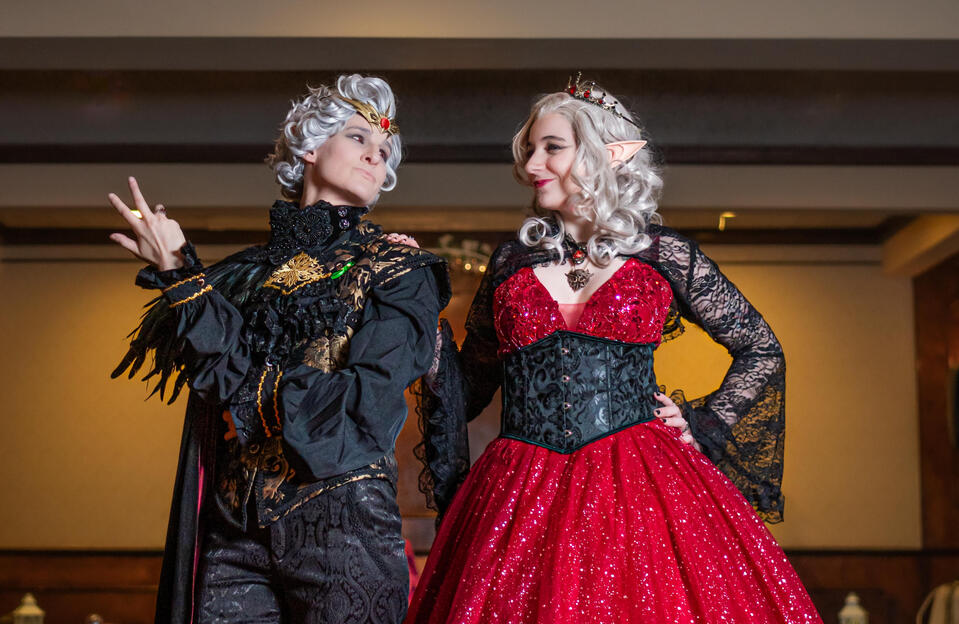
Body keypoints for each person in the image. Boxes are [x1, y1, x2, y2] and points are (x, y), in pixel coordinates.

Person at [408, 74, 822, 623]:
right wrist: (423, 318)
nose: (532, 166)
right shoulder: (510, 264)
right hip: (519, 490)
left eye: (552, 147)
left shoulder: (664, 255)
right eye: (529, 150)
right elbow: (470, 389)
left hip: (641, 483)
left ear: (611, 154)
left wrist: (702, 421)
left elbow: (760, 349)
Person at [110, 74, 449, 624]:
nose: (376, 156)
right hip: (233, 528)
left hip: (343, 526)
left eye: (385, 151)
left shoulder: (399, 269)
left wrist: (248, 379)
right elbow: (213, 376)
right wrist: (177, 272)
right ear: (310, 148)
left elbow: (364, 408)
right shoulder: (239, 277)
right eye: (359, 138)